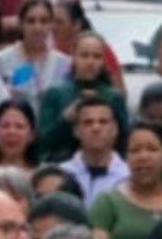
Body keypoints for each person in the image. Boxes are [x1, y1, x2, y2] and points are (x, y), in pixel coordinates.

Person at [37, 34, 130, 164]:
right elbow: (42, 142)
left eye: (96, 57)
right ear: (73, 57)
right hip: (61, 164)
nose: (90, 62)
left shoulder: (113, 97)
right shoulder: (56, 93)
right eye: (84, 56)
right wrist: (65, 119)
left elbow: (124, 140)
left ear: (104, 61)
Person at [0, 0, 71, 102]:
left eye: (44, 21)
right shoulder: (2, 60)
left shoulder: (64, 64)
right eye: (31, 21)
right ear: (21, 24)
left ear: (51, 24)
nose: (38, 27)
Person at [60, 95, 128, 206]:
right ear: (76, 130)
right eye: (88, 122)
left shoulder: (129, 176)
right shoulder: (62, 174)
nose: (96, 128)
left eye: (103, 122)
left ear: (115, 129)